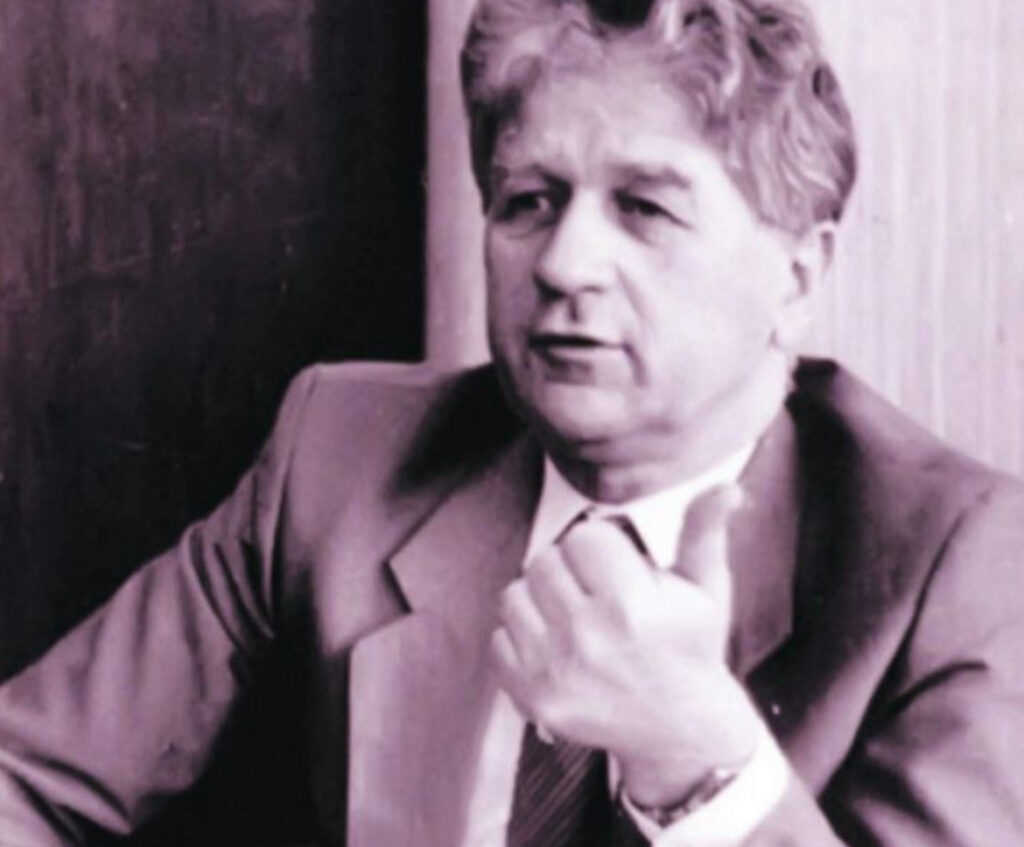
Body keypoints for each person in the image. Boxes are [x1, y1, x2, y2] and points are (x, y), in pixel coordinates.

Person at [1, 0, 1023, 845]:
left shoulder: (959, 566)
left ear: (797, 275)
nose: (566, 264)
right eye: (529, 200)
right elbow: (23, 775)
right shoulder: (341, 455)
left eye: (646, 208)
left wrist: (701, 763)